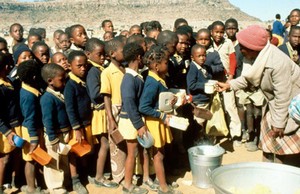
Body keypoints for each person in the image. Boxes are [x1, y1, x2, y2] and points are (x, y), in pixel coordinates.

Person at [218, 25, 300, 166]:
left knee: (280, 144)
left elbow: (283, 95)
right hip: (276, 104)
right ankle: (268, 169)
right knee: (269, 144)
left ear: (253, 48)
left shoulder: (277, 62)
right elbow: (248, 78)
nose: (240, 50)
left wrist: (279, 123)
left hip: (290, 105)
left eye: (242, 47)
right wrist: (230, 85)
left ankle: (279, 176)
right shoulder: (260, 56)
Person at [139, 45, 181, 194]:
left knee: (160, 153)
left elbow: (159, 100)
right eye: (165, 63)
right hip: (154, 123)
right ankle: (163, 188)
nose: (167, 65)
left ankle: (161, 180)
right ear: (157, 66)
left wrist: (170, 100)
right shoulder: (152, 82)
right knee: (158, 155)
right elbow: (144, 107)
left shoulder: (159, 79)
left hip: (159, 122)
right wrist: (161, 115)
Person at [85, 38, 118, 188]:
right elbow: (94, 93)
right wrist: (108, 91)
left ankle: (102, 172)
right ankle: (99, 177)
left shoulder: (98, 68)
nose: (103, 57)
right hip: (100, 112)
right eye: (99, 54)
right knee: (104, 144)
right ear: (88, 54)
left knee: (105, 144)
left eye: (104, 54)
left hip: (103, 111)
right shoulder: (93, 71)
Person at [119, 43, 149, 194]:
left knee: (140, 150)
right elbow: (129, 104)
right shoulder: (129, 78)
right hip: (130, 120)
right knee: (132, 152)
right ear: (138, 57)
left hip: (135, 119)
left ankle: (144, 178)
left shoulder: (136, 76)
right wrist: (139, 125)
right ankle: (128, 184)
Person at [40, 63, 70, 194]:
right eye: (61, 80)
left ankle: (63, 183)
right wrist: (52, 139)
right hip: (54, 136)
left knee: (63, 160)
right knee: (53, 162)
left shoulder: (58, 93)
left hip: (63, 134)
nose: (64, 82)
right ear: (50, 81)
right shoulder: (47, 98)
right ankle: (55, 187)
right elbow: (48, 120)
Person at [64, 51, 92, 194]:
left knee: (85, 151)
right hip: (76, 125)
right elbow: (70, 108)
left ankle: (85, 175)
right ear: (70, 66)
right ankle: (75, 180)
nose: (83, 68)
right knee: (74, 152)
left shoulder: (84, 80)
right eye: (79, 66)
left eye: (85, 65)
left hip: (86, 123)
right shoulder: (70, 85)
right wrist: (76, 128)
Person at [100, 37, 126, 183]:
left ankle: (129, 172)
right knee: (116, 144)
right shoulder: (107, 73)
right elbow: (106, 97)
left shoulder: (125, 68)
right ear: (112, 53)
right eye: (123, 50)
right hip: (115, 110)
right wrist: (111, 119)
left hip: (126, 108)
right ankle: (119, 176)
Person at [211, 20, 241, 144]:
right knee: (214, 107)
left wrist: (231, 76)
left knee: (230, 106)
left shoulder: (228, 42)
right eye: (216, 32)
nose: (218, 34)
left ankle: (236, 134)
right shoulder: (208, 42)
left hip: (226, 78)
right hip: (212, 79)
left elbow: (232, 60)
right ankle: (215, 133)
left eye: (221, 32)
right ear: (212, 32)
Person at [17, 59, 44, 194]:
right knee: (30, 160)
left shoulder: (30, 88)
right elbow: (30, 118)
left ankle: (37, 184)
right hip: (30, 131)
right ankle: (31, 188)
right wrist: (34, 138)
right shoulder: (28, 96)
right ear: (34, 77)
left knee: (36, 158)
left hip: (34, 129)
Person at [0, 52, 21, 194]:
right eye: (5, 66)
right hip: (5, 128)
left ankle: (15, 181)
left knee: (16, 154)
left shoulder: (8, 81)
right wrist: (7, 132)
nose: (8, 67)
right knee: (4, 158)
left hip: (15, 124)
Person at [187, 44, 212, 126]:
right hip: (198, 101)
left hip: (204, 99)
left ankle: (204, 136)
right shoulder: (193, 68)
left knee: (205, 120)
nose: (202, 58)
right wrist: (206, 85)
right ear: (192, 57)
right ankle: (200, 138)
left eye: (204, 55)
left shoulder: (204, 67)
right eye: (199, 56)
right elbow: (191, 85)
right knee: (200, 121)